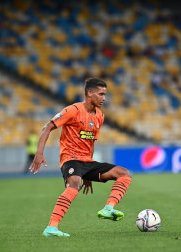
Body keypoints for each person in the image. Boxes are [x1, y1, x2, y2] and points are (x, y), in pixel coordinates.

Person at [30, 78, 132, 237]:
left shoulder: (100, 116)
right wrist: (39, 153)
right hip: (70, 158)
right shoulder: (73, 110)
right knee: (74, 183)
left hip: (87, 161)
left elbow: (90, 142)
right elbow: (48, 127)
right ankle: (51, 227)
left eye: (105, 94)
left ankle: (108, 208)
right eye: (101, 94)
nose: (104, 98)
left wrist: (88, 175)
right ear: (89, 93)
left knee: (124, 174)